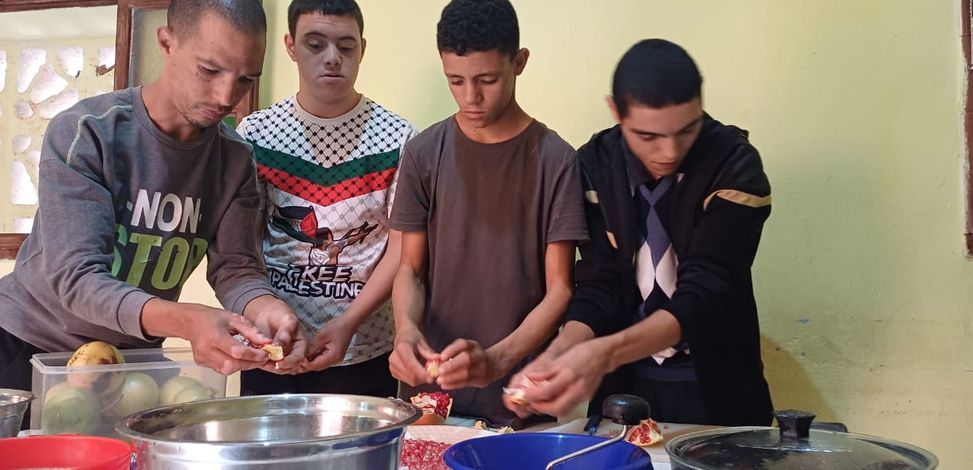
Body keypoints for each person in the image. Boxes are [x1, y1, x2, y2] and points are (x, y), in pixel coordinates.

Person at [0, 0, 308, 410]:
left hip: (130, 362)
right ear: (167, 43)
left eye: (246, 80)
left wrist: (267, 309)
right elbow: (76, 277)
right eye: (210, 70)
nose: (226, 96)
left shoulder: (235, 160)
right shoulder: (89, 133)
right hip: (28, 345)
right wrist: (189, 321)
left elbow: (237, 269)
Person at [504, 39, 774, 426]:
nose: (669, 151)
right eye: (648, 137)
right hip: (626, 390)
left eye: (686, 130)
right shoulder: (595, 165)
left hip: (718, 384)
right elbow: (602, 285)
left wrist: (601, 354)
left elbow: (704, 293)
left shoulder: (734, 166)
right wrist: (561, 351)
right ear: (616, 110)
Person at [387, 0, 588, 429]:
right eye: (455, 81)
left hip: (521, 396)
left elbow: (560, 290)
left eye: (487, 80)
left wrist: (497, 361)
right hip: (431, 395)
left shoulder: (556, 160)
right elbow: (409, 269)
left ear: (519, 62)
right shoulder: (423, 153)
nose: (470, 97)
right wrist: (405, 331)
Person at [236, 0, 414, 397]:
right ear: (291, 46)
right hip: (273, 346)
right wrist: (265, 317)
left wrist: (349, 322)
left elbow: (401, 249)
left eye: (346, 47)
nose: (332, 59)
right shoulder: (256, 134)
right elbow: (241, 246)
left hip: (364, 349)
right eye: (315, 45)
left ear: (362, 49)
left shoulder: (400, 138)